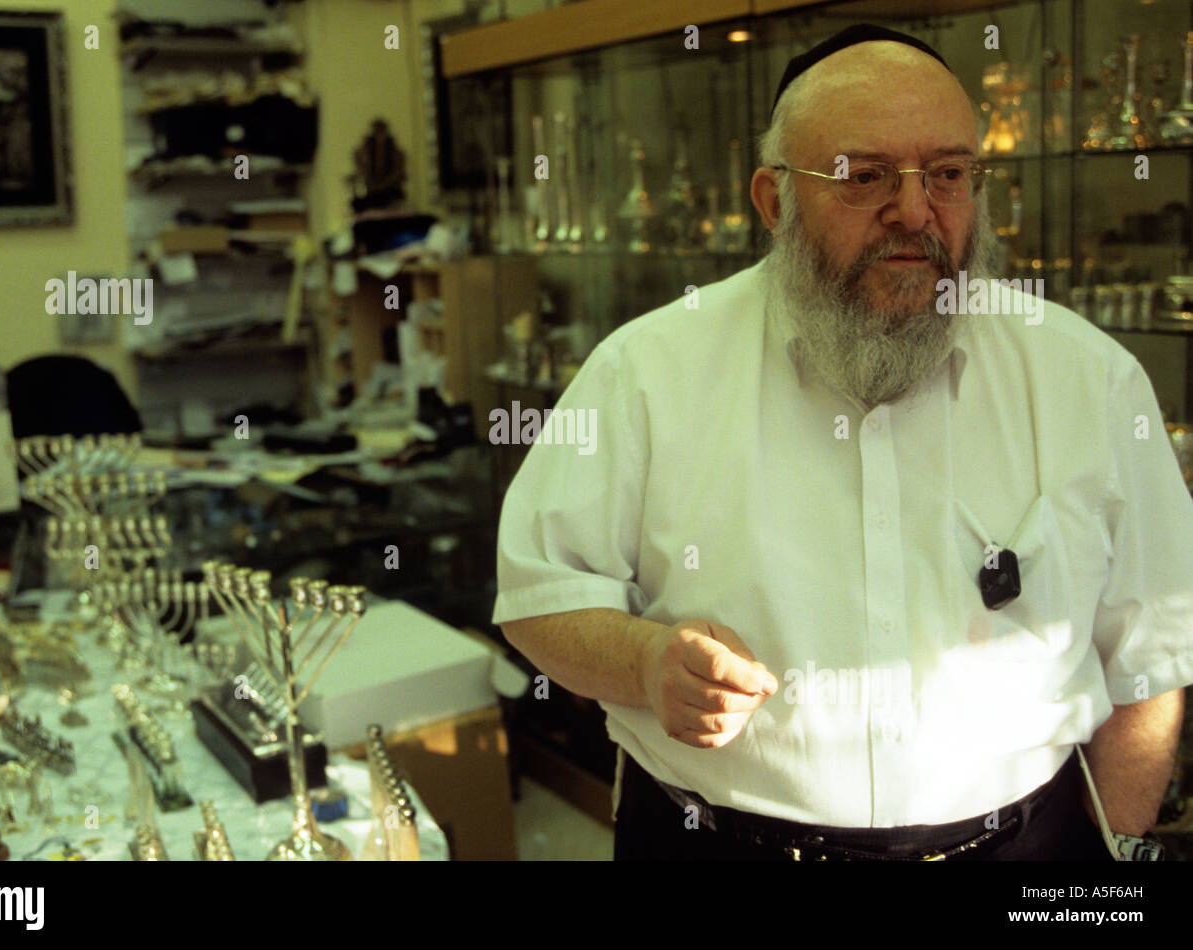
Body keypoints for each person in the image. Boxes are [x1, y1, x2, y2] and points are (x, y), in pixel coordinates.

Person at [492, 24, 1193, 860]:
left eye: (948, 175)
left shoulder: (1089, 381)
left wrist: (1110, 859)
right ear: (773, 200)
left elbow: (1152, 652)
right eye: (864, 178)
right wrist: (645, 663)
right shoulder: (647, 371)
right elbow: (540, 596)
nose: (915, 210)